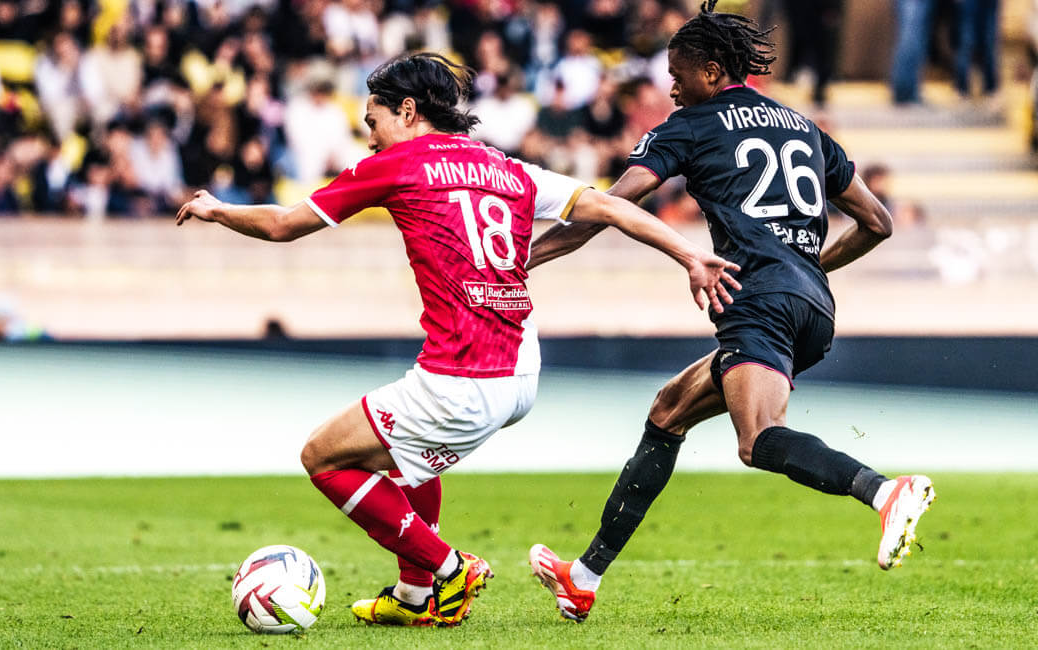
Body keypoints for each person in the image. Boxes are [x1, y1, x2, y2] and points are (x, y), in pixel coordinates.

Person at [177, 52, 740, 629]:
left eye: (373, 121)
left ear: (407, 110)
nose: (370, 137)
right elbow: (611, 206)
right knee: (406, 460)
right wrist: (690, 253)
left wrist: (219, 210)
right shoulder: (507, 168)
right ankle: (414, 597)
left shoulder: (395, 164)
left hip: (462, 378)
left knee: (323, 457)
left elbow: (282, 225)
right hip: (520, 374)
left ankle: (450, 570)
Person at [524, 1, 936, 623]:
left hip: (759, 302)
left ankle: (884, 491)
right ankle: (582, 578)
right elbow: (877, 221)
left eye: (678, 75)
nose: (672, 87)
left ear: (712, 72)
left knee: (757, 439)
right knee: (668, 411)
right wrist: (810, 268)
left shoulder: (690, 126)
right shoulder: (804, 127)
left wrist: (520, 260)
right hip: (813, 305)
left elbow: (607, 209)